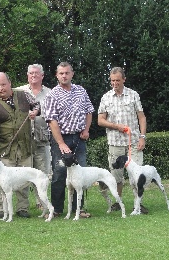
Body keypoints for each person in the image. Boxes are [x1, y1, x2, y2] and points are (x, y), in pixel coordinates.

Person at [0, 72, 40, 219]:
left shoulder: (23, 95)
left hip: (25, 146)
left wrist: (35, 112)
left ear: (9, 83)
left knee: (24, 180)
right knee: (3, 182)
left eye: (3, 84)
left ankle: (23, 208)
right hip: (5, 150)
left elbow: (37, 104)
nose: (0, 88)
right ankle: (2, 208)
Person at [45, 62, 94, 218]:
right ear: (57, 75)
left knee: (80, 173)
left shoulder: (81, 91)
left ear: (72, 74)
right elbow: (52, 121)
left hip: (79, 137)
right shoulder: (52, 94)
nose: (64, 76)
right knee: (59, 173)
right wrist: (60, 143)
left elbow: (89, 111)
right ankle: (57, 209)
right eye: (61, 73)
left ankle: (78, 209)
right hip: (61, 138)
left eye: (67, 73)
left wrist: (86, 129)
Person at [97, 67, 148, 214]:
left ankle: (138, 204)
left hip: (133, 142)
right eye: (112, 81)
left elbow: (141, 117)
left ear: (124, 80)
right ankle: (118, 202)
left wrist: (142, 137)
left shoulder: (133, 95)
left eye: (117, 80)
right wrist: (116, 126)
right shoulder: (106, 97)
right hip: (115, 142)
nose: (114, 83)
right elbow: (100, 120)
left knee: (137, 174)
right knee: (116, 176)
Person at [16, 64, 52, 209]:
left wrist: (39, 112)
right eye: (31, 73)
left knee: (42, 172)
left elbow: (53, 114)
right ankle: (22, 206)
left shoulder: (50, 93)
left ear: (42, 76)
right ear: (27, 75)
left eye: (37, 73)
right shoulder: (19, 91)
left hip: (42, 138)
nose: (33, 76)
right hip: (23, 140)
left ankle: (41, 203)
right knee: (23, 173)